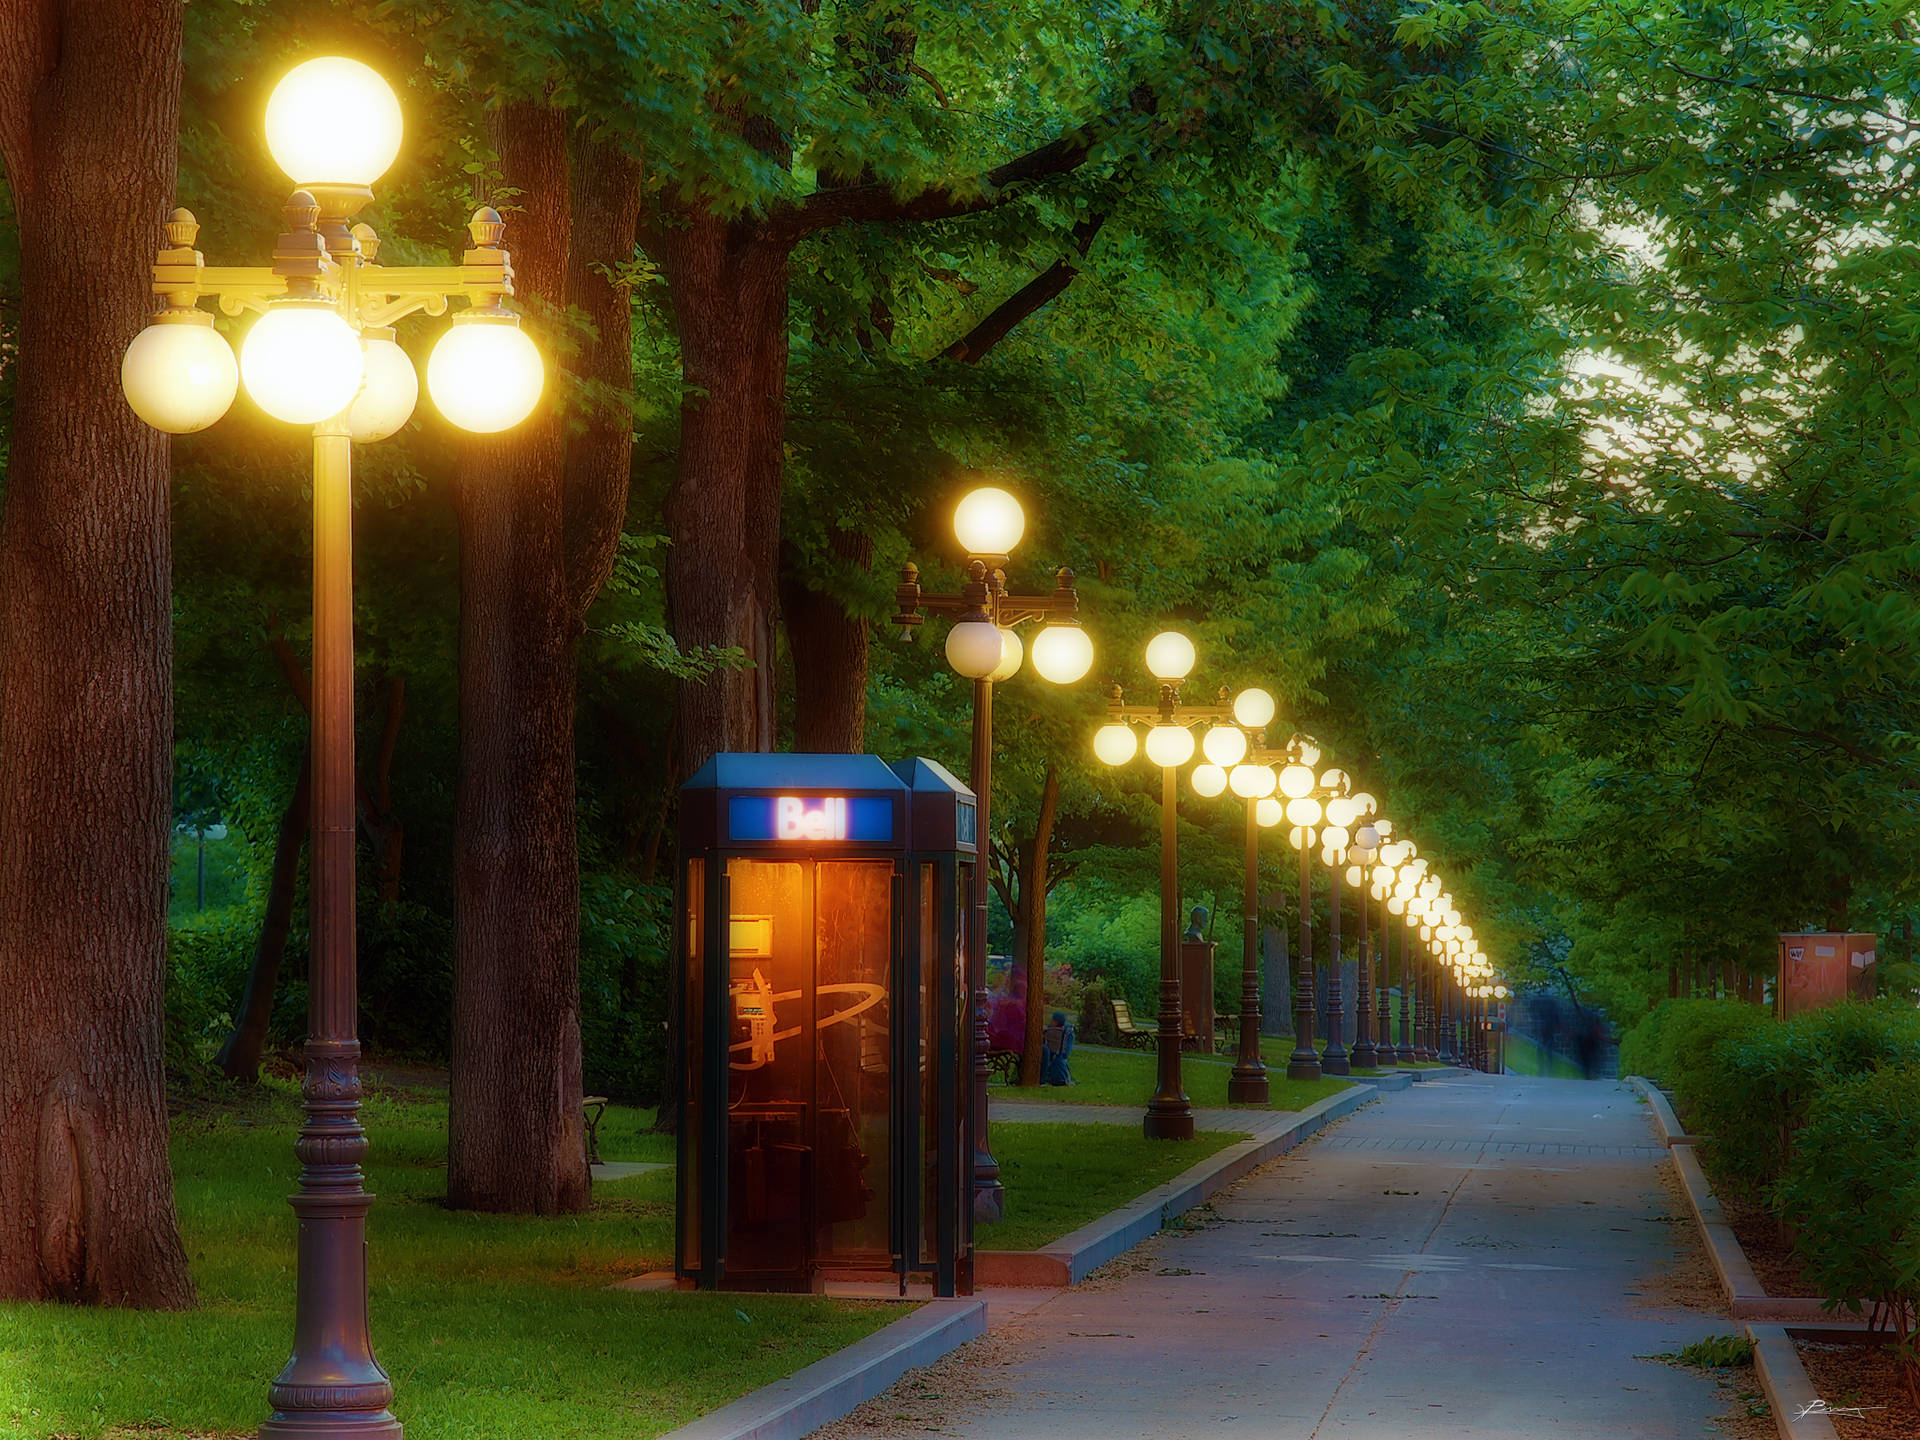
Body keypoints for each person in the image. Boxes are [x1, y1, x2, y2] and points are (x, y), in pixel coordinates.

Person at [1040, 1010, 1074, 1086]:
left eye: (1053, 1020)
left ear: (1056, 1022)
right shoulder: (1067, 1031)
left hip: (1056, 1060)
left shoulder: (1051, 1031)